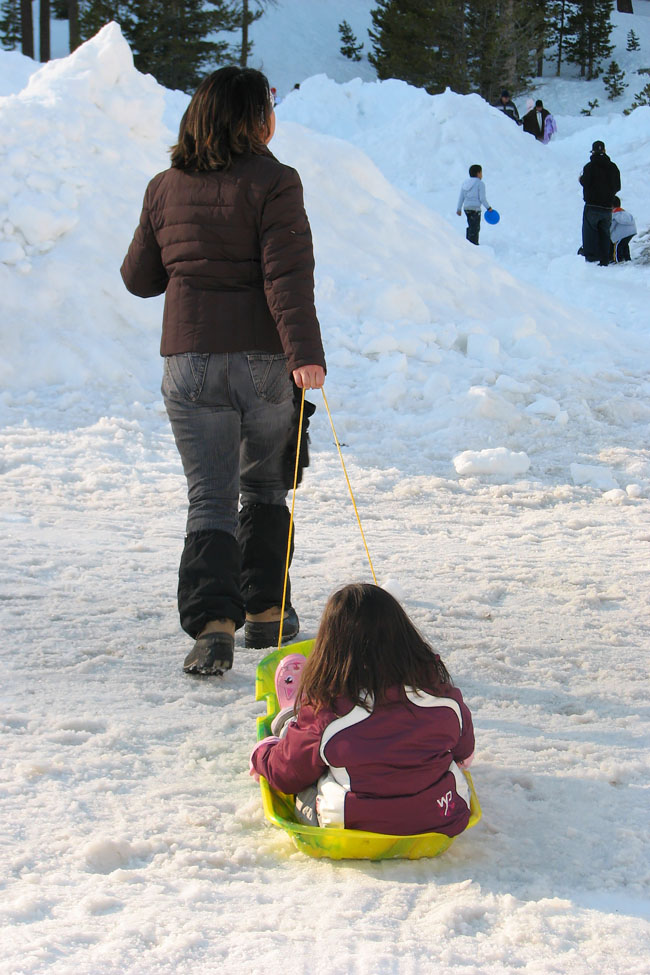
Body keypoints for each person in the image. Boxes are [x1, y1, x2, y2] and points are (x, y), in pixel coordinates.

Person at [121, 67, 326, 676]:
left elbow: (139, 279)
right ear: (254, 117)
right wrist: (305, 354)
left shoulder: (164, 186)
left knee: (209, 495)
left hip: (189, 360)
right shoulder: (275, 181)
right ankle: (266, 611)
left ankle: (213, 627)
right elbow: (286, 276)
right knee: (264, 487)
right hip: (264, 361)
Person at [250, 583, 475, 836]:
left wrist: (262, 754)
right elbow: (463, 753)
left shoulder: (329, 713)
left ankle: (289, 718)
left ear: (331, 650)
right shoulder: (442, 697)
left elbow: (286, 774)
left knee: (312, 767)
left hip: (351, 825)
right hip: (440, 816)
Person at [578, 140, 621, 266]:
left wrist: (581, 179)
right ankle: (605, 258)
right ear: (605, 151)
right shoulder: (613, 167)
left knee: (590, 232)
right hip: (607, 206)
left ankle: (591, 258)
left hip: (592, 206)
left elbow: (585, 182)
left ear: (593, 152)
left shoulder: (589, 167)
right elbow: (618, 186)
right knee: (605, 233)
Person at [456, 164, 494, 246]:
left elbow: (461, 197)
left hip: (466, 208)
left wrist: (459, 209)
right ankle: (473, 245)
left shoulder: (465, 183)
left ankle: (468, 242)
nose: (482, 175)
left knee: (471, 225)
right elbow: (482, 198)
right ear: (478, 173)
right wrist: (488, 208)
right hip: (475, 209)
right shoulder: (480, 184)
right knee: (475, 228)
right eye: (481, 173)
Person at [610, 196, 637, 263]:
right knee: (624, 245)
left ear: (612, 206)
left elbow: (611, 226)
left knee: (617, 247)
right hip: (631, 232)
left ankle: (617, 260)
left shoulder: (614, 215)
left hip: (621, 234)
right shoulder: (625, 213)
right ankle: (627, 259)